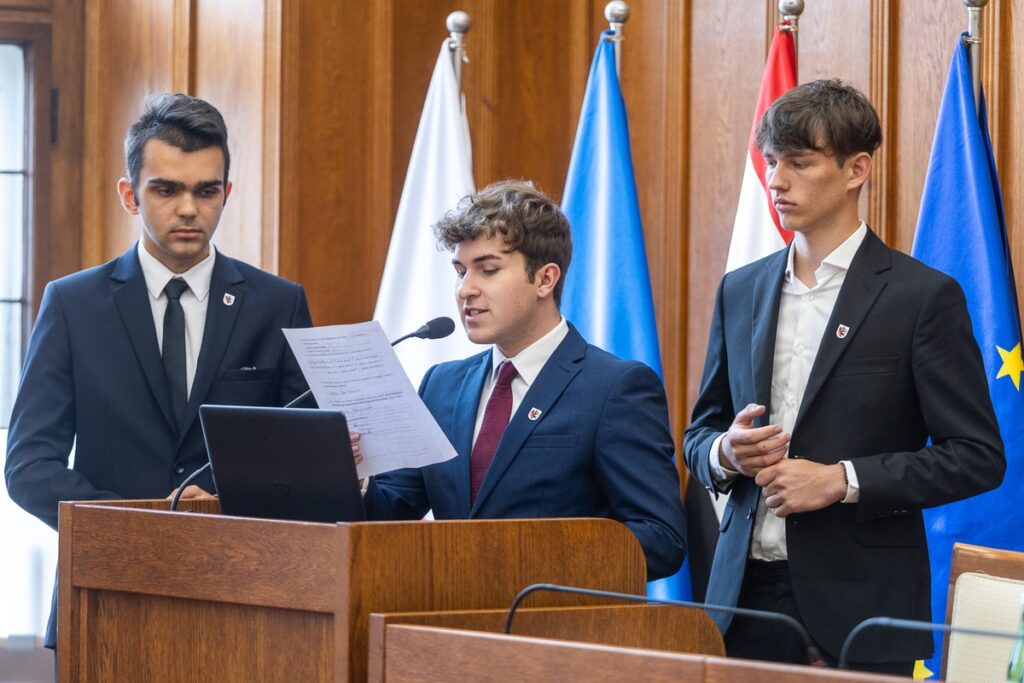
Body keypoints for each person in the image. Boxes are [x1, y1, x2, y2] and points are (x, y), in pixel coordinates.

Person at [684, 79, 1006, 674]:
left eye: (799, 163)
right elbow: (698, 434)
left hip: (862, 611)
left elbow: (977, 456)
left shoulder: (921, 297)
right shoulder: (740, 289)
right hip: (739, 603)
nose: (776, 181)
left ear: (857, 168)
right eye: (771, 161)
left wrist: (842, 480)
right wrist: (726, 451)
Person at [5, 93, 313, 647]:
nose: (189, 209)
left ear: (226, 193)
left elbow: (303, 460)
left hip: (245, 597)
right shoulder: (72, 304)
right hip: (104, 598)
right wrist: (145, 522)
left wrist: (224, 502)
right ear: (130, 195)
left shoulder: (278, 304)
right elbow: (29, 467)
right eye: (166, 190)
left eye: (206, 191)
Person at [363, 180, 686, 581]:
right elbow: (390, 512)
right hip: (447, 614)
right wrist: (353, 474)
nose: (465, 290)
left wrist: (526, 558)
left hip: (550, 615)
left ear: (545, 280)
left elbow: (661, 538)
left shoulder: (615, 388)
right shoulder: (441, 386)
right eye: (460, 272)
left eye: (488, 270)